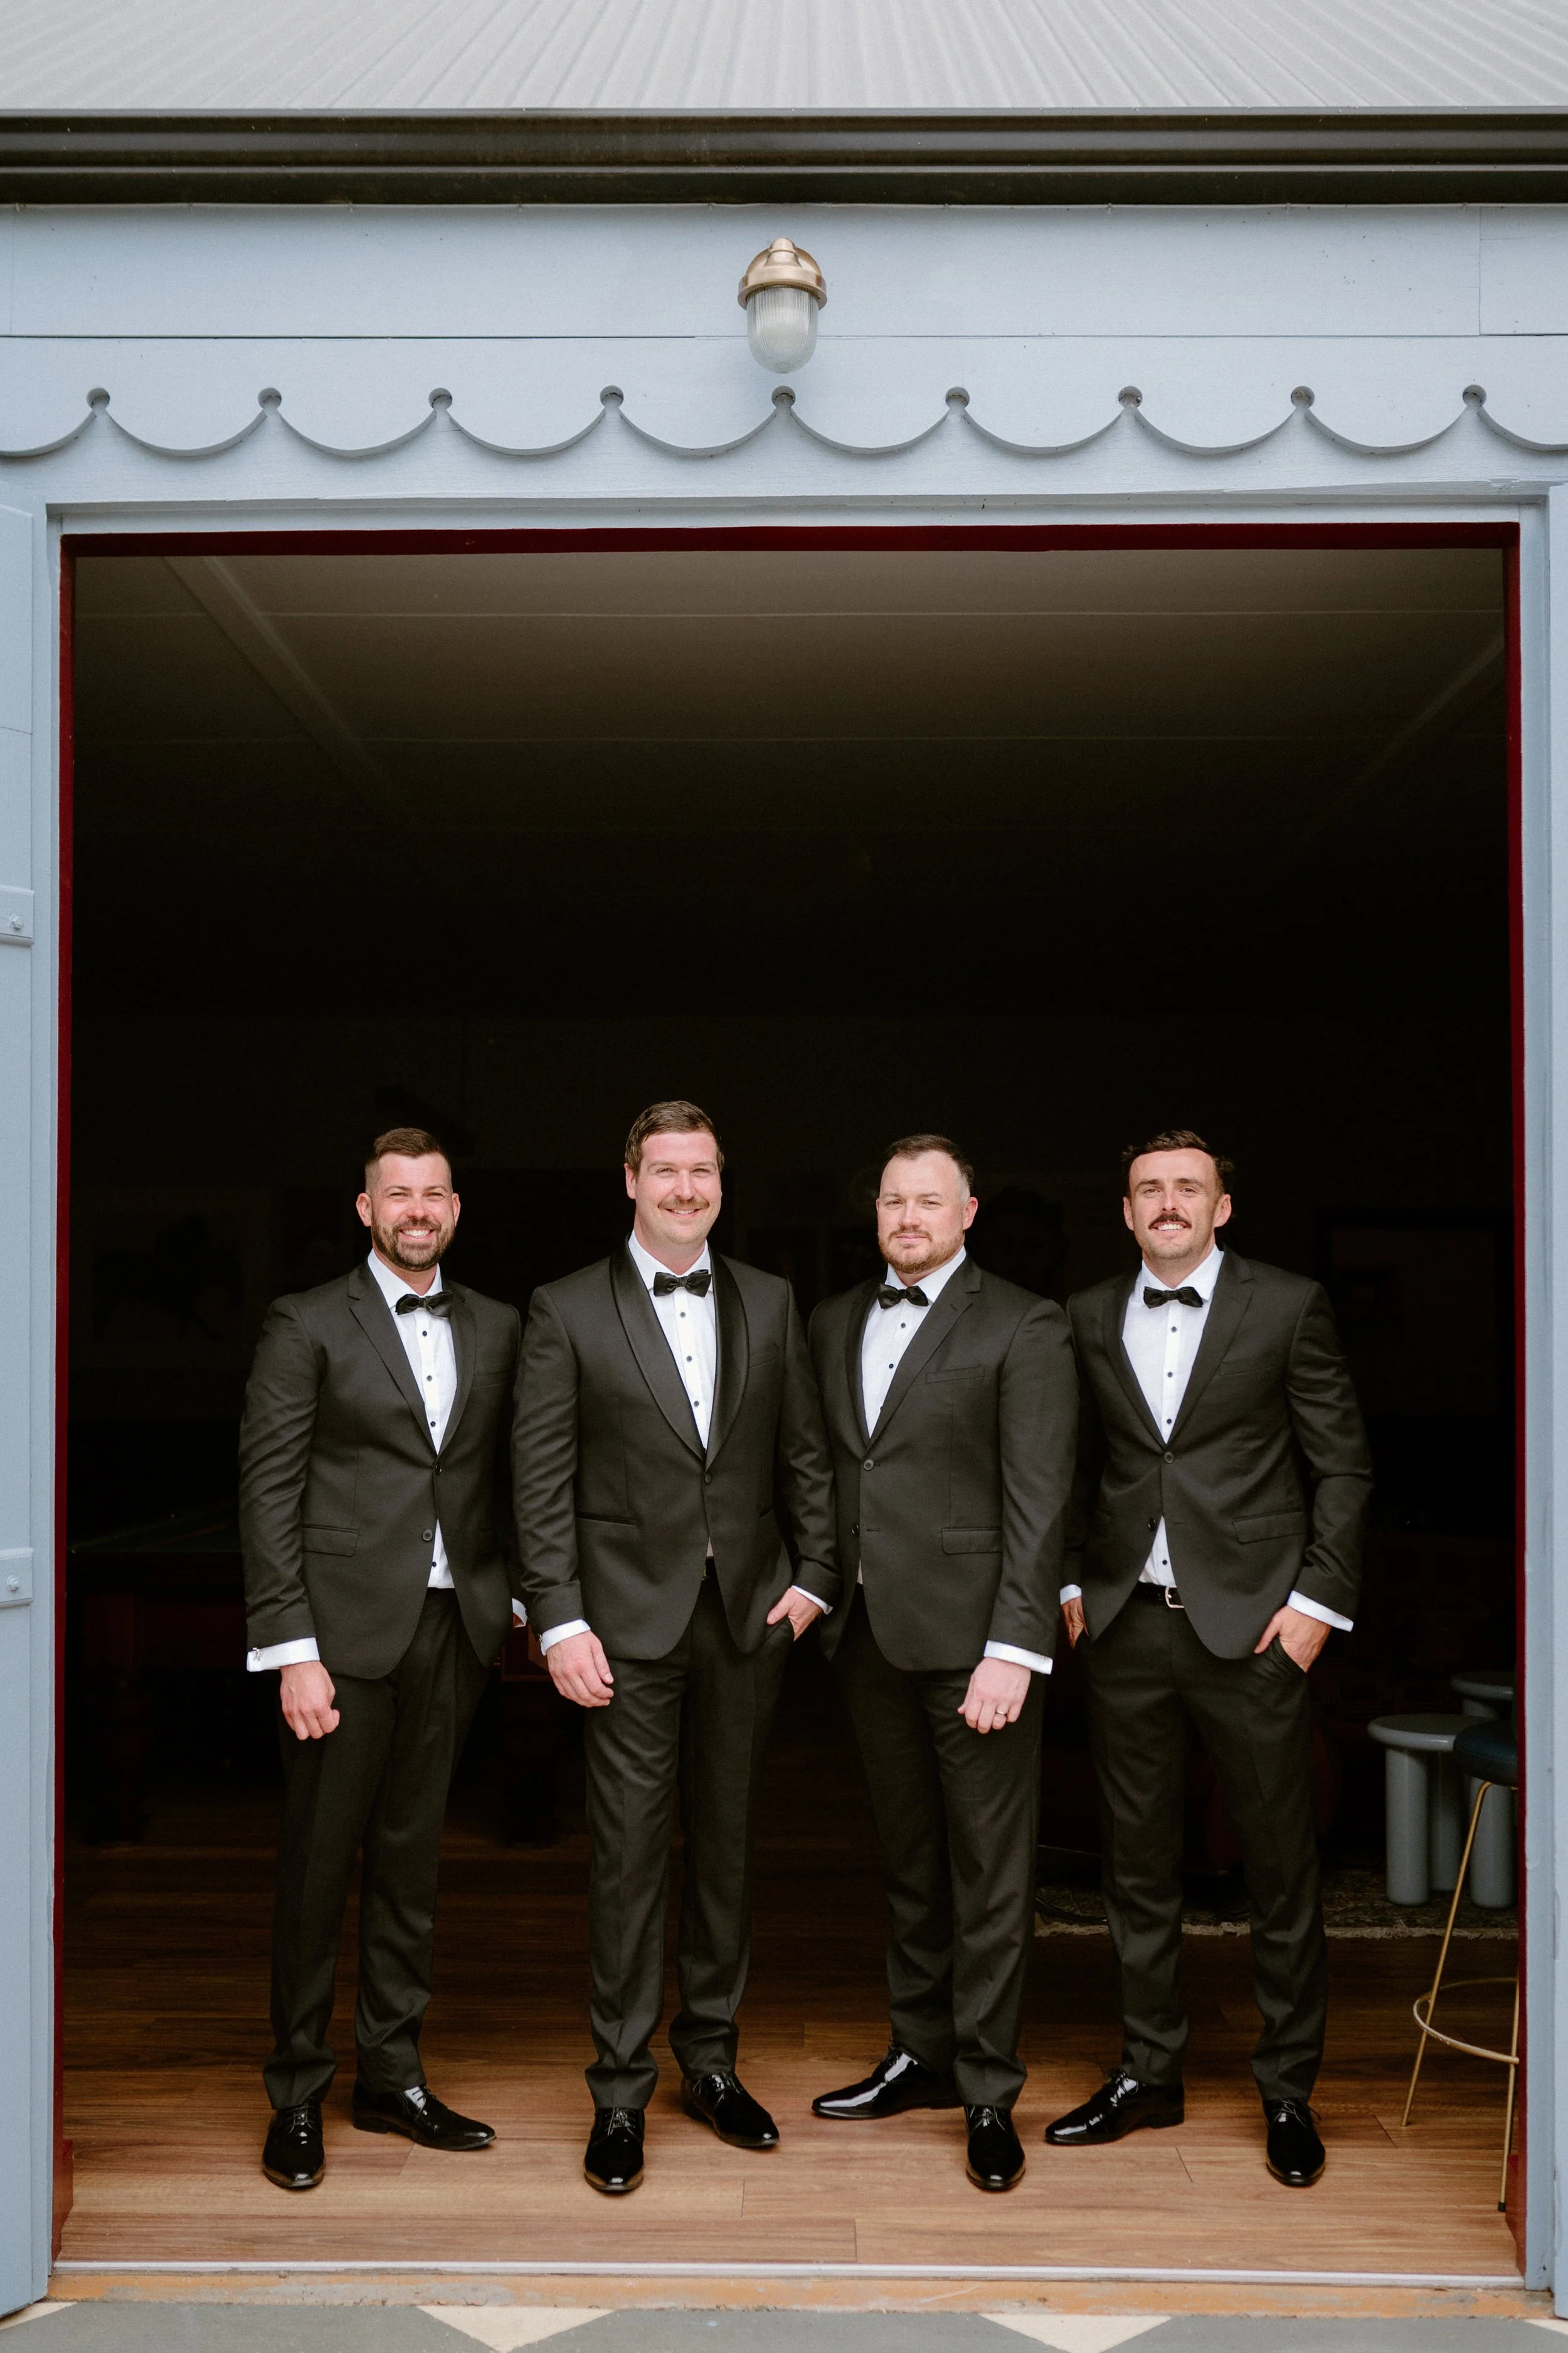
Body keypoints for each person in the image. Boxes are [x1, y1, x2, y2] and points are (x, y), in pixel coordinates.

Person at [512, 1100, 837, 2196]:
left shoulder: (771, 1298)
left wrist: (817, 1578)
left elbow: (805, 1454)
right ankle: (618, 2090)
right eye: (666, 1171)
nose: (686, 1189)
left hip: (748, 1618)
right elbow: (539, 1480)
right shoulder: (564, 1308)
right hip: (619, 1626)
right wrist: (556, 1618)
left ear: (720, 1178)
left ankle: (711, 2061)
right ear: (630, 1179)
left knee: (729, 1848)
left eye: (702, 1171)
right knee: (628, 1856)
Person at [1047, 1129, 1372, 2188]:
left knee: (1279, 1865)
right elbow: (1067, 1461)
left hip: (1256, 1631)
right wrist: (1066, 1586)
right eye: (1149, 1188)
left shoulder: (1288, 1305)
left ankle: (1287, 2088)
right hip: (1125, 1625)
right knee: (1136, 1864)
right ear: (1127, 1210)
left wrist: (1317, 1603)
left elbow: (1344, 1465)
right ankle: (1151, 2071)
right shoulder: (1089, 1314)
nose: (1169, 1203)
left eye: (1189, 1187)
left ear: (1223, 1206)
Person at [239, 1127, 521, 2192]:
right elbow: (268, 1490)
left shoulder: (498, 1325)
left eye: (434, 1192)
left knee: (412, 1864)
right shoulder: (305, 1322)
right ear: (366, 1209)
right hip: (338, 1640)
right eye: (396, 1193)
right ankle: (297, 2092)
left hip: (453, 1627)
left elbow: (510, 1472)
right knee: (319, 1868)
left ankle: (391, 2075)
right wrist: (290, 1649)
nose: (416, 1208)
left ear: (455, 1207)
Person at [807, 1135, 1078, 2193]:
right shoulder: (833, 1322)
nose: (909, 1216)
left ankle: (989, 2089)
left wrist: (1016, 1646)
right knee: (910, 1861)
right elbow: (833, 1474)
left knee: (989, 1872)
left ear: (969, 1212)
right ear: (875, 1212)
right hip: (871, 1637)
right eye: (893, 1200)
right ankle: (919, 2053)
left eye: (930, 1201)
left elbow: (1039, 1496)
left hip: (980, 1648)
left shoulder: (1024, 1321)